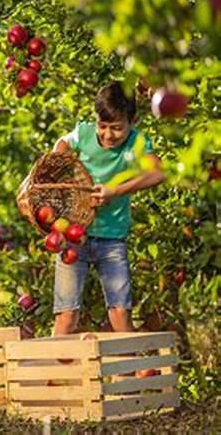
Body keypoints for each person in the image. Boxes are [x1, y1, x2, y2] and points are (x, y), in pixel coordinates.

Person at [51, 81, 166, 336]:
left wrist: (115, 191)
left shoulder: (137, 143)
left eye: (116, 128)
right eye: (102, 126)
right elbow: (61, 144)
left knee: (120, 314)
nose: (107, 135)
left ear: (133, 120)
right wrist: (66, 175)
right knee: (66, 315)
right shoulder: (83, 133)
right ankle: (53, 376)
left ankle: (128, 374)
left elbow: (158, 173)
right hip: (74, 235)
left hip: (112, 239)